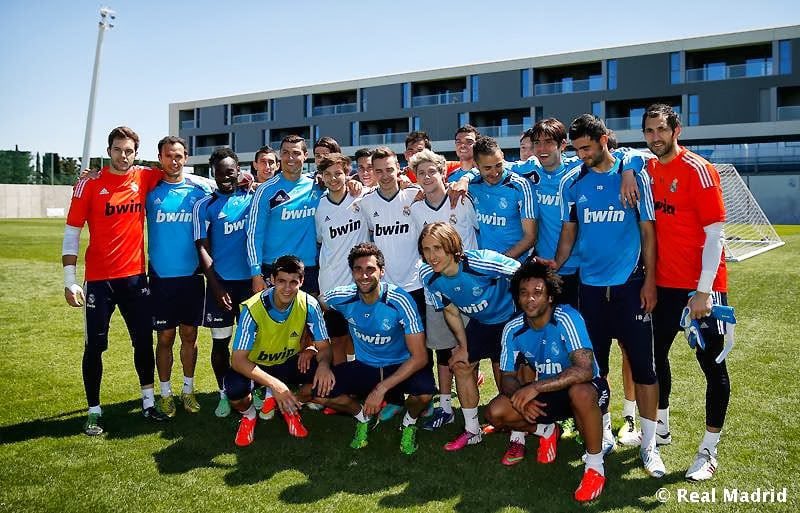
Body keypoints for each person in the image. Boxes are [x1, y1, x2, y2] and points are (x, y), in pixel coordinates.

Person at [555, 114, 665, 478]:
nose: (582, 155)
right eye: (577, 149)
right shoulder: (574, 182)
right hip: (590, 288)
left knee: (644, 367)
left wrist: (649, 282)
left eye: (587, 147)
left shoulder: (634, 174)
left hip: (631, 285)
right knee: (593, 368)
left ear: (604, 139)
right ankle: (602, 433)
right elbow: (569, 233)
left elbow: (648, 232)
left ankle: (648, 446)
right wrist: (556, 263)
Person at [642, 103, 732, 481]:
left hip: (700, 289)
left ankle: (708, 451)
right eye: (648, 131)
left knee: (712, 367)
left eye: (660, 129)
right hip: (663, 284)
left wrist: (704, 290)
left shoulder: (699, 169)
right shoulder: (645, 167)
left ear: (676, 129)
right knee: (654, 357)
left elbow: (716, 234)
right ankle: (660, 427)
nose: (654, 138)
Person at [62, 126, 170, 435]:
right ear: (109, 150)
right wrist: (70, 280)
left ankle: (148, 403)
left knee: (142, 341)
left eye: (129, 151)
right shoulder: (89, 184)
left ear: (137, 153)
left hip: (135, 279)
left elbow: (180, 175)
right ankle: (94, 411)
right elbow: (72, 233)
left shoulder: (144, 176)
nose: (124, 156)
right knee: (94, 346)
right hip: (99, 281)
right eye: (118, 150)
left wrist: (245, 180)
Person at [484, 260, 608, 502]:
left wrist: (534, 387)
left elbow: (585, 370)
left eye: (537, 293)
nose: (530, 299)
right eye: (524, 293)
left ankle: (595, 467)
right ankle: (547, 430)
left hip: (586, 390)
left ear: (550, 297)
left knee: (580, 394)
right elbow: (507, 376)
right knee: (495, 412)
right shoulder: (512, 329)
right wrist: (521, 399)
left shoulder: (567, 317)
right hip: (549, 392)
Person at [317, 243, 435, 455]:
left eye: (370, 269)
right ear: (352, 272)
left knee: (425, 394)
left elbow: (420, 357)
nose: (364, 275)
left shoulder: (400, 300)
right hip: (365, 365)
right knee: (318, 393)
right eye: (358, 269)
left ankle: (409, 424)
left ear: (382, 271)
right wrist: (312, 350)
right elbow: (314, 306)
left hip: (400, 366)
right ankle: (362, 418)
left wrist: (380, 389)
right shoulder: (340, 297)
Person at [418, 222, 522, 451]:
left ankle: (518, 437)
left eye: (437, 248)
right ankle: (472, 430)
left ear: (451, 246)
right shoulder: (428, 275)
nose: (432, 256)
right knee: (461, 364)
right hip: (482, 323)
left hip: (509, 320)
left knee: (507, 377)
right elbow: (451, 311)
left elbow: (523, 274)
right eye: (426, 250)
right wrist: (463, 346)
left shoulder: (480, 261)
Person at [226, 255, 334, 446]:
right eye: (282, 281)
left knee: (325, 382)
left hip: (287, 362)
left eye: (293, 282)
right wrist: (276, 385)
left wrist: (323, 363)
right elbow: (238, 360)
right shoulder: (253, 308)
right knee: (235, 393)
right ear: (272, 280)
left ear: (301, 281)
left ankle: (289, 408)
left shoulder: (310, 304)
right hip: (255, 365)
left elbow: (324, 347)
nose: (287, 288)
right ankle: (249, 416)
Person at [408, 149, 479, 430]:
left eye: (431, 172)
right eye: (421, 173)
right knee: (442, 351)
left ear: (443, 172)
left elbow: (478, 234)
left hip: (469, 289)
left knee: (473, 351)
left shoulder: (462, 200)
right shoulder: (414, 208)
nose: (426, 177)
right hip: (435, 290)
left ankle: (479, 407)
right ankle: (446, 407)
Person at [146, 136, 211, 417]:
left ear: (186, 158)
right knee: (164, 337)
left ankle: (188, 390)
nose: (174, 161)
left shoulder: (199, 189)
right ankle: (165, 394)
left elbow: (232, 184)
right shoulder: (149, 190)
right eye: (169, 155)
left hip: (192, 276)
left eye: (179, 156)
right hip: (161, 277)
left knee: (189, 335)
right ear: (160, 157)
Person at [193, 147, 255, 417]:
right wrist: (216, 286)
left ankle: (254, 390)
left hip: (251, 286)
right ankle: (223, 394)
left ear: (238, 171)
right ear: (214, 175)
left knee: (252, 343)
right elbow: (202, 248)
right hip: (222, 286)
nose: (225, 177)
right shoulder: (204, 205)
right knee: (221, 343)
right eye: (220, 173)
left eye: (230, 172)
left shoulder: (252, 197)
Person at [247, 135, 323, 295]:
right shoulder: (265, 190)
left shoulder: (318, 187)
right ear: (280, 156)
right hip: (274, 268)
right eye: (285, 153)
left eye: (295, 153)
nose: (290, 158)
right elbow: (254, 234)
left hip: (308, 268)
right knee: (273, 319)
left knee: (306, 319)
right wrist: (256, 272)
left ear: (305, 156)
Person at [314, 153, 368, 364]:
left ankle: (364, 385)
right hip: (331, 282)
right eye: (327, 174)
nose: (333, 178)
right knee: (337, 340)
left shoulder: (362, 197)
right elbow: (321, 239)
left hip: (360, 282)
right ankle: (343, 389)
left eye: (338, 173)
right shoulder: (319, 207)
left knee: (361, 337)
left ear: (347, 173)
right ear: (322, 177)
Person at [469, 136, 537, 261]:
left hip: (514, 265)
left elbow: (530, 237)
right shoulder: (471, 185)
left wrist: (500, 262)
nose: (495, 172)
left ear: (503, 156)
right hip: (484, 266)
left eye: (498, 165)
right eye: (487, 168)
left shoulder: (520, 186)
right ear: (476, 165)